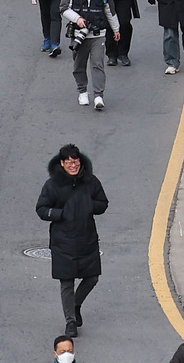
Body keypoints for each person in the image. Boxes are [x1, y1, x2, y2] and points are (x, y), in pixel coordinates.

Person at [36, 143, 108, 339]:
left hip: (87, 239)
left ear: (80, 161)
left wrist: (88, 206)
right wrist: (60, 214)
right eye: (68, 162)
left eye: (75, 161)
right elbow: (41, 209)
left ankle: (76, 305)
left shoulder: (90, 181)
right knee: (66, 283)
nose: (72, 165)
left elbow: (103, 204)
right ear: (62, 163)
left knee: (92, 277)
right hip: (63, 242)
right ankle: (70, 322)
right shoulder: (52, 185)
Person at [60, 0, 120, 110]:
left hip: (97, 34)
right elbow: (63, 8)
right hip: (78, 34)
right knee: (79, 65)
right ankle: (82, 91)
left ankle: (98, 95)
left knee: (97, 64)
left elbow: (109, 9)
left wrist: (116, 29)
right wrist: (77, 19)